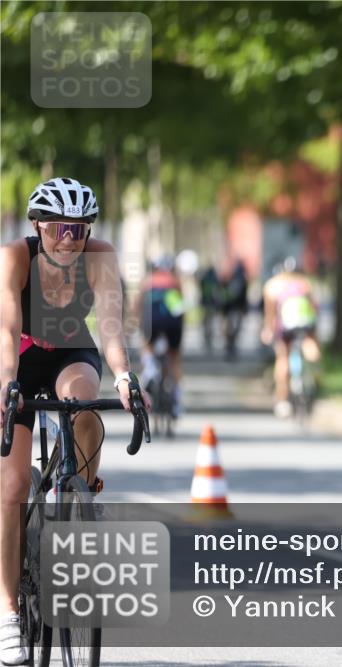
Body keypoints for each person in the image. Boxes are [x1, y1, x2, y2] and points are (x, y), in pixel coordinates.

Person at [0, 177, 150, 665]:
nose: (70, 239)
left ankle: (77, 501)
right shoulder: (14, 257)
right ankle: (7, 611)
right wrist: (7, 385)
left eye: (80, 229)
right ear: (38, 226)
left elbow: (109, 325)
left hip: (69, 350)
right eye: (60, 228)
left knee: (85, 404)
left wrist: (124, 376)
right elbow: (6, 329)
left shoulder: (99, 257)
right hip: (19, 356)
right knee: (12, 485)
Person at [260, 257, 320, 418]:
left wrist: (268, 330)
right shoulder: (305, 283)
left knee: (283, 357)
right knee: (311, 348)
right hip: (306, 323)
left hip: (286, 326)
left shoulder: (272, 285)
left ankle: (282, 401)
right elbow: (315, 308)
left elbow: (270, 313)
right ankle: (315, 377)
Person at [135, 254, 185, 417]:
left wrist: (136, 322)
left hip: (152, 319)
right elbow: (181, 307)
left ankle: (150, 368)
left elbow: (137, 305)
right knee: (175, 356)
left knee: (146, 344)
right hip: (173, 321)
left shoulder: (147, 281)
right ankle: (177, 399)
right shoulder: (175, 282)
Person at [221, 259, 249, 361]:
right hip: (232, 309)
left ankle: (231, 347)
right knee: (231, 330)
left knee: (232, 330)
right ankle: (230, 347)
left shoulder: (237, 281)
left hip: (234, 309)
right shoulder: (233, 281)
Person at [197, 263, 222, 353]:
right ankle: (208, 338)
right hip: (210, 303)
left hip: (207, 303)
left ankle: (207, 338)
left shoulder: (205, 279)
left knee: (207, 322)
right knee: (209, 322)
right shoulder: (213, 279)